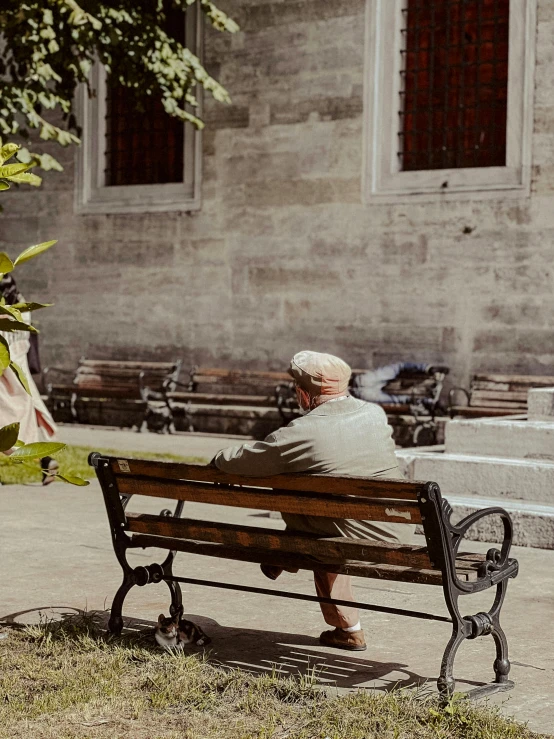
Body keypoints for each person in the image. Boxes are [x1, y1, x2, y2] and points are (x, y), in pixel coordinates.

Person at [213, 350, 415, 651]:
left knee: (317, 519)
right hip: (398, 529)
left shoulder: (302, 432)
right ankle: (348, 628)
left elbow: (241, 462)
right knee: (326, 506)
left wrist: (218, 457)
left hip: (343, 533)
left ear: (303, 394)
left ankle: (283, 552)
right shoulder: (375, 414)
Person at [0, 275, 59, 484]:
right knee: (28, 421)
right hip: (20, 371)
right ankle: (46, 460)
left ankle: (45, 459)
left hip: (5, 375)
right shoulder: (24, 311)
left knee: (6, 424)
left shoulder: (3, 316)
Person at [351, 361, 449, 405]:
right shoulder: (426, 375)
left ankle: (352, 392)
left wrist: (433, 402)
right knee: (363, 381)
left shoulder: (422, 396)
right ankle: (352, 384)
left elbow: (424, 402)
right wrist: (429, 369)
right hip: (393, 378)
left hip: (394, 393)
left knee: (364, 393)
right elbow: (402, 366)